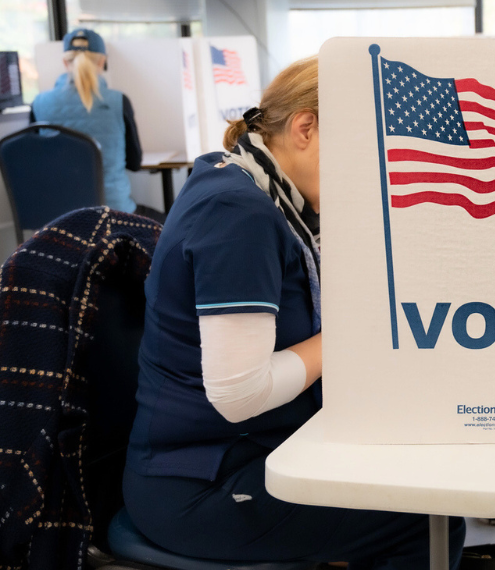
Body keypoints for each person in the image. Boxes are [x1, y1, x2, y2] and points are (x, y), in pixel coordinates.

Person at [122, 56, 465, 568]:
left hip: (246, 451)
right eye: (365, 154)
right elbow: (239, 393)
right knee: (426, 514)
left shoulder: (254, 189)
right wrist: (356, 333)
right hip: (201, 485)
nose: (372, 175)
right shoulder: (237, 214)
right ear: (306, 128)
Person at [30, 28, 165, 222]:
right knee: (168, 222)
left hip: (59, 219)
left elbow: (35, 164)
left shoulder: (39, 104)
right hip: (112, 214)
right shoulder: (118, 101)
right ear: (102, 61)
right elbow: (134, 163)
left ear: (65, 62)